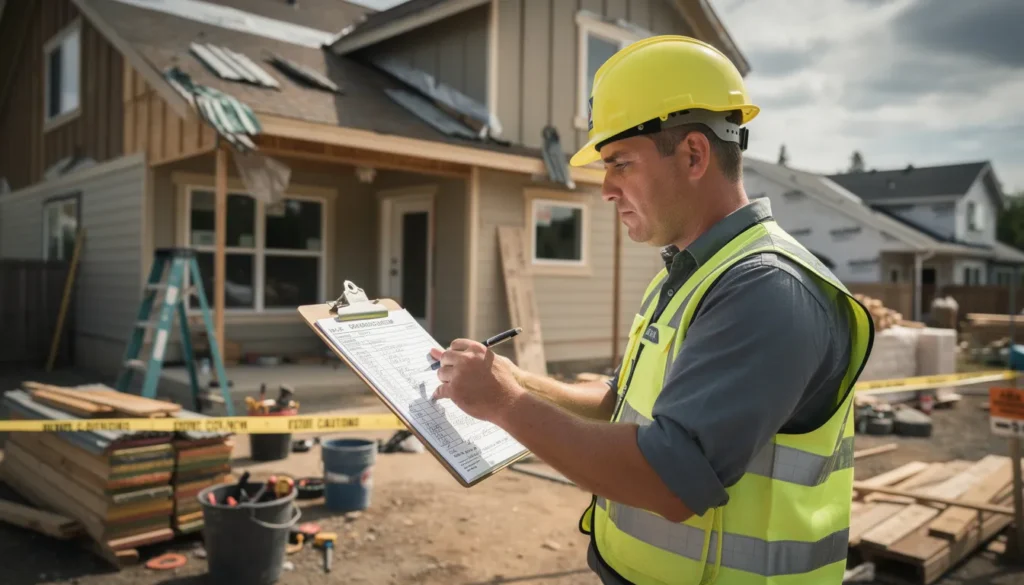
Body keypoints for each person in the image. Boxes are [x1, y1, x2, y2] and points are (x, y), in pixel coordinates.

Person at [429, 35, 874, 584]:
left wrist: (504, 403)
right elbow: (619, 406)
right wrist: (517, 379)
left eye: (620, 164)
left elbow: (668, 478)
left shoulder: (767, 290)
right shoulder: (691, 273)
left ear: (693, 154)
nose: (606, 189)